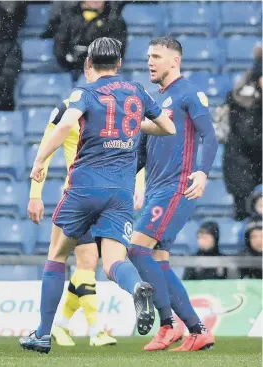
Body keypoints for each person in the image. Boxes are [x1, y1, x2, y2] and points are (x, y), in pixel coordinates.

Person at [19, 37, 176, 354]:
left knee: (57, 256)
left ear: (89, 64)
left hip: (84, 187)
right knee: (114, 261)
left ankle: (43, 333)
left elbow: (64, 126)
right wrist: (132, 128)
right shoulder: (137, 92)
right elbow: (168, 129)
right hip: (121, 190)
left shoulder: (85, 93)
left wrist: (39, 161)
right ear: (119, 64)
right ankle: (136, 287)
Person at [131, 37, 218, 352]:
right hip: (156, 188)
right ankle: (197, 330)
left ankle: (167, 325)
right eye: (148, 56)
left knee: (137, 249)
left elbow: (210, 136)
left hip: (176, 187)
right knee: (158, 261)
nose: (150, 62)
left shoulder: (190, 93)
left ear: (174, 60)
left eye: (156, 56)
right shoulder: (157, 99)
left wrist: (203, 171)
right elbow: (142, 152)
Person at [224, 46, 262, 220]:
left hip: (249, 171)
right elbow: (251, 137)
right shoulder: (244, 101)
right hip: (244, 175)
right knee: (249, 224)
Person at [53, 1, 127, 77]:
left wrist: (89, 58)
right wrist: (69, 59)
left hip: (101, 73)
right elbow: (60, 42)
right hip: (69, 68)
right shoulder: (70, 14)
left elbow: (116, 51)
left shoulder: (114, 19)